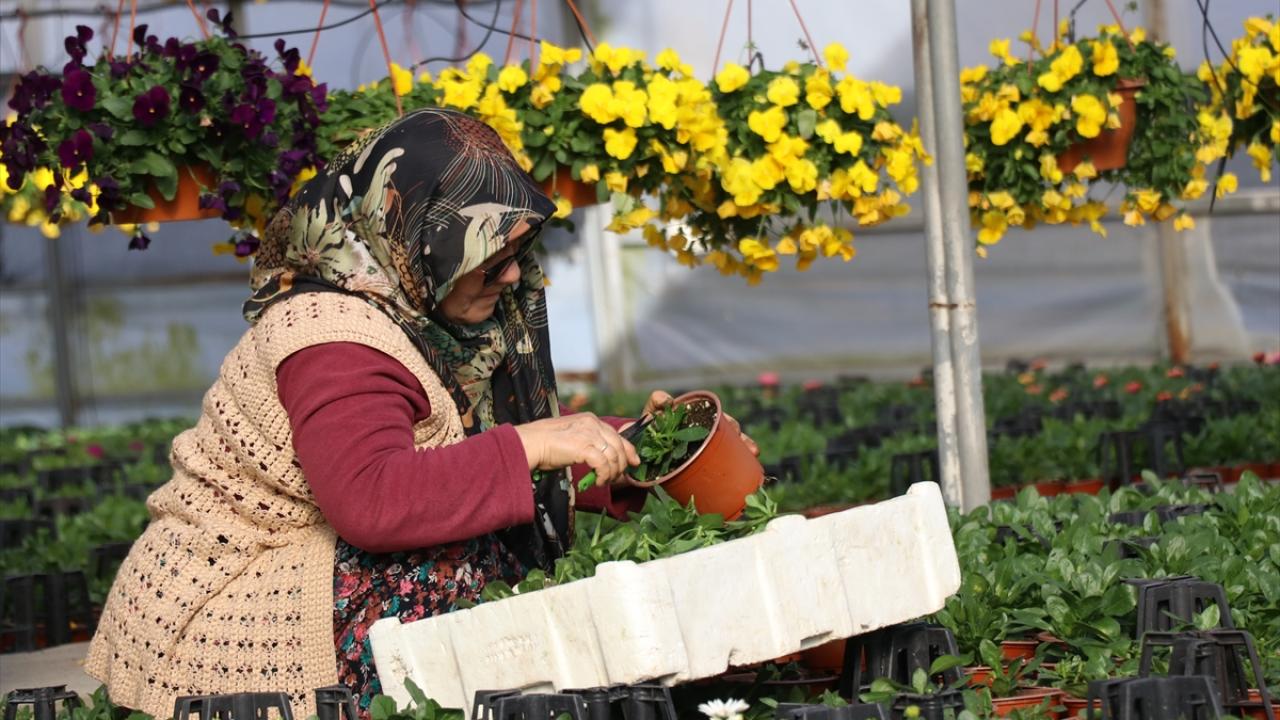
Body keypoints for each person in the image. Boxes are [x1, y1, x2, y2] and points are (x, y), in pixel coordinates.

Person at [85, 108, 756, 718]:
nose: (513, 277)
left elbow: (467, 457)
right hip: (231, 604)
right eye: (489, 259)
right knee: (454, 571)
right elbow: (373, 500)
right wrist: (528, 446)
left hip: (307, 561)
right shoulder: (332, 336)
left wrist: (630, 448)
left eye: (517, 255)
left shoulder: (417, 310)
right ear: (420, 240)